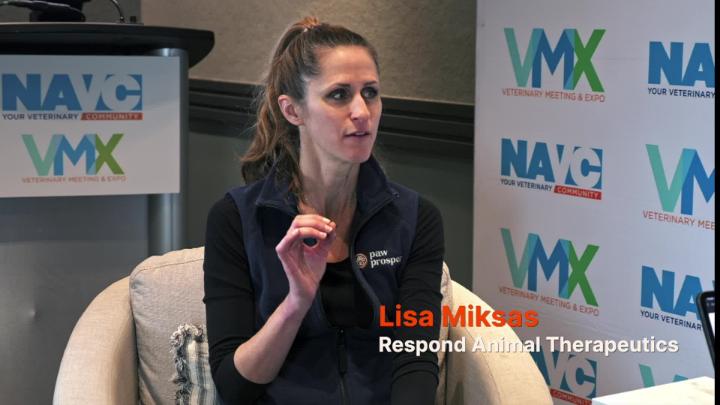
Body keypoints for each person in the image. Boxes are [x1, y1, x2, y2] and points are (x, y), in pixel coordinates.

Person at [203, 16, 444, 405]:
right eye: (339, 95)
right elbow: (234, 387)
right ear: (293, 110)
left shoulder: (415, 218)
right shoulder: (236, 218)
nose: (362, 111)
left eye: (370, 93)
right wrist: (296, 303)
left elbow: (415, 360)